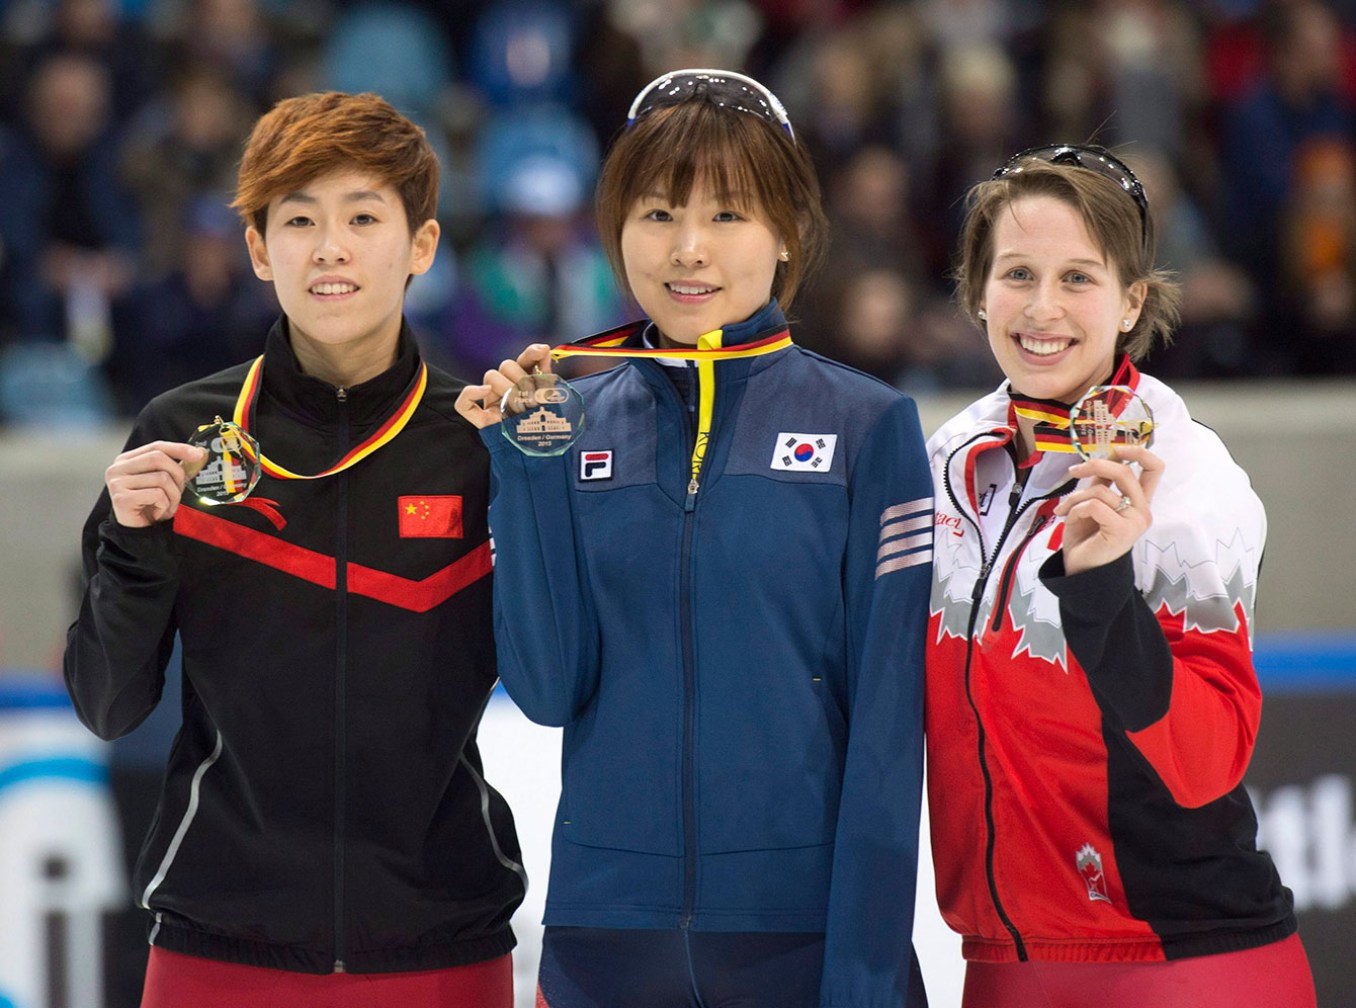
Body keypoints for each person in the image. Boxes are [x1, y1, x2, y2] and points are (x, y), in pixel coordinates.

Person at [456, 69, 934, 1007]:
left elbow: (889, 735)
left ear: (789, 230)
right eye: (657, 212)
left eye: (727, 216)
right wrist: (522, 472)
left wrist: (867, 972)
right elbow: (547, 691)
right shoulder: (566, 424)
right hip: (602, 941)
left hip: (798, 942)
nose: (687, 250)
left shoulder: (869, 427)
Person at [62, 91, 525, 1008]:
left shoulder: (479, 439)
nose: (331, 249)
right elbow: (108, 704)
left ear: (421, 246)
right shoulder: (184, 433)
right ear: (259, 249)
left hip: (443, 945)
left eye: (363, 217)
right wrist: (136, 543)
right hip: (216, 948)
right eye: (299, 220)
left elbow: (553, 684)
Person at [924, 144, 1316, 1007]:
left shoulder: (1187, 477)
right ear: (975, 290)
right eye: (1017, 273)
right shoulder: (945, 462)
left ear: (1132, 299)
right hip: (1002, 963)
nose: (1042, 308)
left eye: (1078, 278)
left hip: (1186, 965)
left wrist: (1100, 591)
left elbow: (1207, 761)